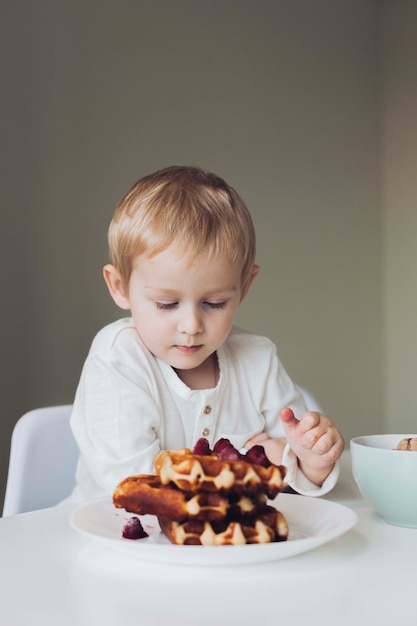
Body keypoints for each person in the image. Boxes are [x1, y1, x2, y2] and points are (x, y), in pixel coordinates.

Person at [69, 165, 344, 502]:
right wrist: (247, 468)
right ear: (120, 287)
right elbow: (135, 484)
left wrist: (312, 460)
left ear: (244, 288)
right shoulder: (118, 360)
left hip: (228, 546)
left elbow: (290, 471)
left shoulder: (257, 358)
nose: (191, 324)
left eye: (214, 303)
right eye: (167, 303)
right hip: (114, 543)